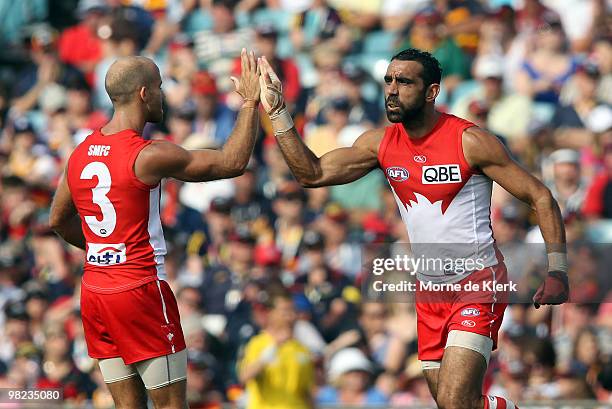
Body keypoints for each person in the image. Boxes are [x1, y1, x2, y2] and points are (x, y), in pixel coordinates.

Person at [256, 48, 570, 409]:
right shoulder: (381, 144)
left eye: (404, 81)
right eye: (388, 80)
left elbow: (541, 197)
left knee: (454, 402)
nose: (392, 89)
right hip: (429, 291)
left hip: (478, 282)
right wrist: (278, 112)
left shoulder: (469, 141)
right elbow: (311, 173)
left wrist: (558, 269)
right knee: (455, 403)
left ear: (431, 91)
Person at [49, 50, 261, 409]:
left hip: (95, 290)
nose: (165, 94)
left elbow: (57, 220)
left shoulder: (81, 151)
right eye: (160, 86)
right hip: (139, 290)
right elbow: (233, 161)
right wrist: (251, 103)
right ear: (144, 93)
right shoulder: (147, 154)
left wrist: (104, 251)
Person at [238, 286, 314, 409]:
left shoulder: (301, 348)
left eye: (293, 311)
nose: (290, 316)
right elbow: (244, 376)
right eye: (285, 311)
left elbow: (306, 392)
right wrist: (272, 349)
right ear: (270, 313)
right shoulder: (258, 344)